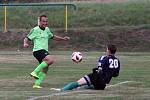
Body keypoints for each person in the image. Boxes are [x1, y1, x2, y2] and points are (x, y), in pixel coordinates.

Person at [23, 15, 70, 89]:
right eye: (43, 21)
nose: (45, 23)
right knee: (50, 60)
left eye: (46, 21)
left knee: (45, 68)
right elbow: (26, 38)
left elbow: (53, 37)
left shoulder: (47, 29)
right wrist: (25, 43)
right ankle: (35, 72)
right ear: (40, 21)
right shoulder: (35, 30)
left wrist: (63, 39)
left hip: (44, 51)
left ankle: (36, 84)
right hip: (38, 50)